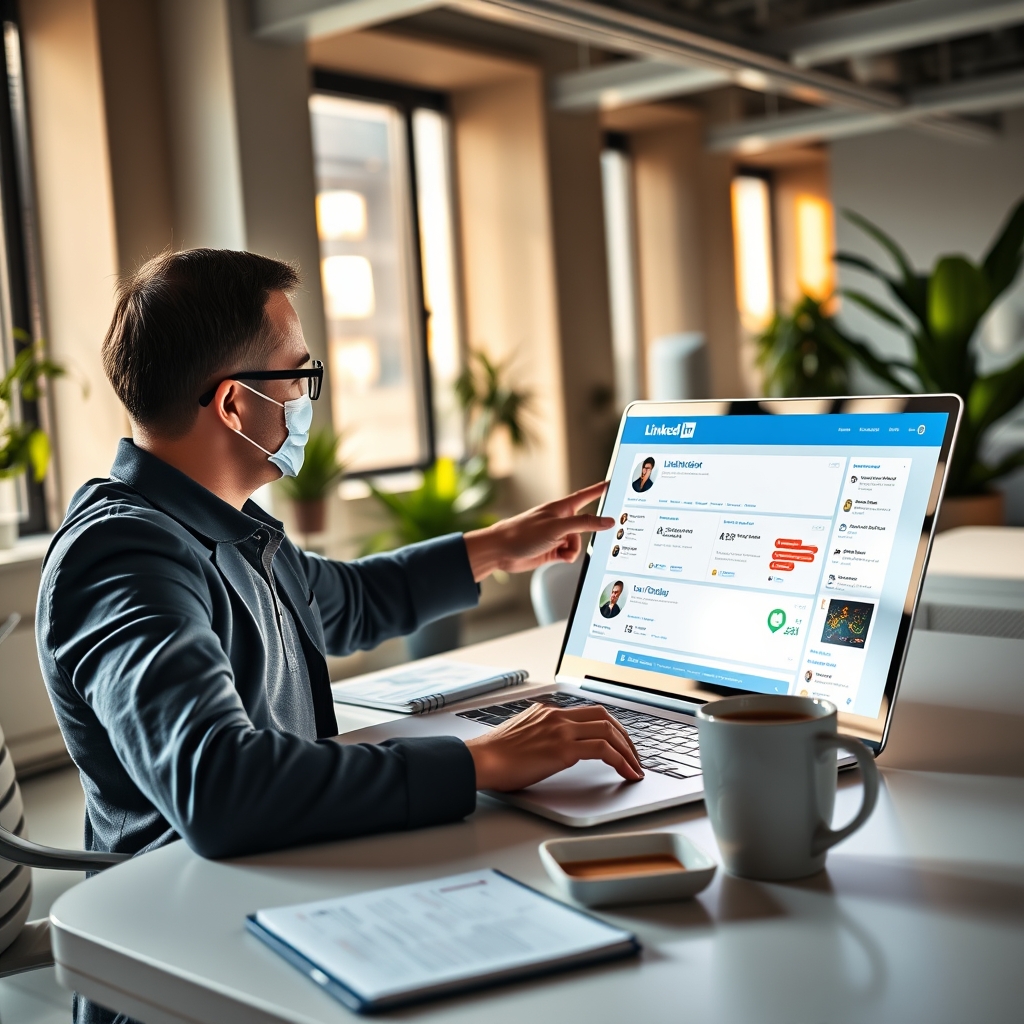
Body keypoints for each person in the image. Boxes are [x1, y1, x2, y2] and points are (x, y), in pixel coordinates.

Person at [36, 250, 643, 1024]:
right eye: (298, 375)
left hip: (276, 892)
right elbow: (221, 787)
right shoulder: (123, 558)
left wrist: (497, 546)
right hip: (188, 960)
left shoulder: (222, 524)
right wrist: (482, 760)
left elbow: (345, 601)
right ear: (234, 404)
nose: (306, 396)